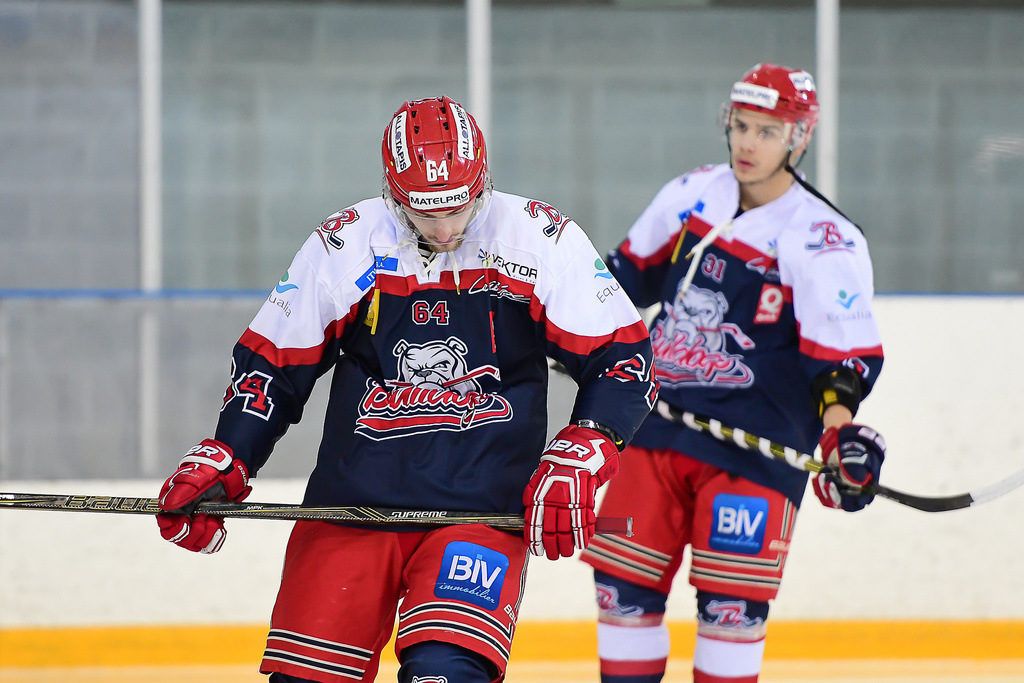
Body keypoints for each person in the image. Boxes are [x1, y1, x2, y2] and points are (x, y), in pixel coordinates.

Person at [154, 95, 658, 683]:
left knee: (447, 675)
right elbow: (273, 362)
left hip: (478, 514)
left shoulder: (540, 239)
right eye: (424, 213)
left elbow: (624, 358)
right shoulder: (347, 243)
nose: (444, 229)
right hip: (350, 508)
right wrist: (232, 452)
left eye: (457, 208)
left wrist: (586, 446)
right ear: (393, 193)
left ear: (482, 182)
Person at [580, 64, 887, 683]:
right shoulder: (691, 194)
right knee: (621, 592)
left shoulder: (825, 239)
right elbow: (618, 285)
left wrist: (839, 434)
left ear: (799, 138)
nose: (748, 144)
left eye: (768, 132)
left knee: (730, 611)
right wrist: (569, 336)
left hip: (755, 450)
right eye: (741, 126)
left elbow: (838, 366)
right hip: (657, 431)